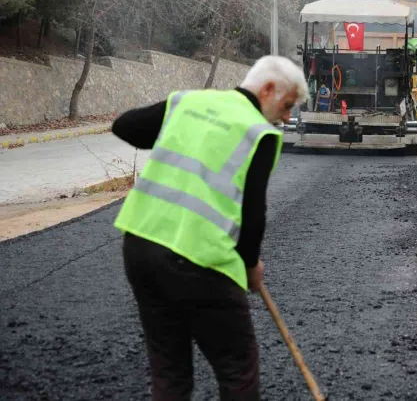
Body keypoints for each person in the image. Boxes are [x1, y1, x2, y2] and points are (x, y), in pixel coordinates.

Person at [112, 55, 309, 400]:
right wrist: (250, 265)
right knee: (237, 368)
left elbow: (125, 126)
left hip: (140, 249)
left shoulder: (189, 102)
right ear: (267, 89)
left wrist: (180, 134)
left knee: (169, 369)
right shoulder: (257, 132)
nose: (288, 117)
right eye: (288, 105)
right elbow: (253, 215)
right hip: (200, 262)